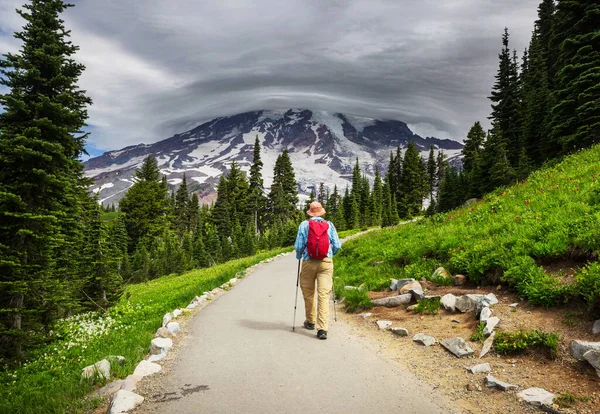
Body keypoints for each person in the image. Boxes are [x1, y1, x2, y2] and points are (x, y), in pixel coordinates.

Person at [294, 201, 341, 340]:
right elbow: (337, 245)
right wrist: (330, 255)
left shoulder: (304, 225)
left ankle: (310, 321)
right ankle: (322, 329)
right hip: (326, 262)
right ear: (321, 212)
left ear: (310, 212)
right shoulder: (329, 224)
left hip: (309, 262)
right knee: (324, 295)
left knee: (308, 293)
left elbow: (298, 246)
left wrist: (299, 256)